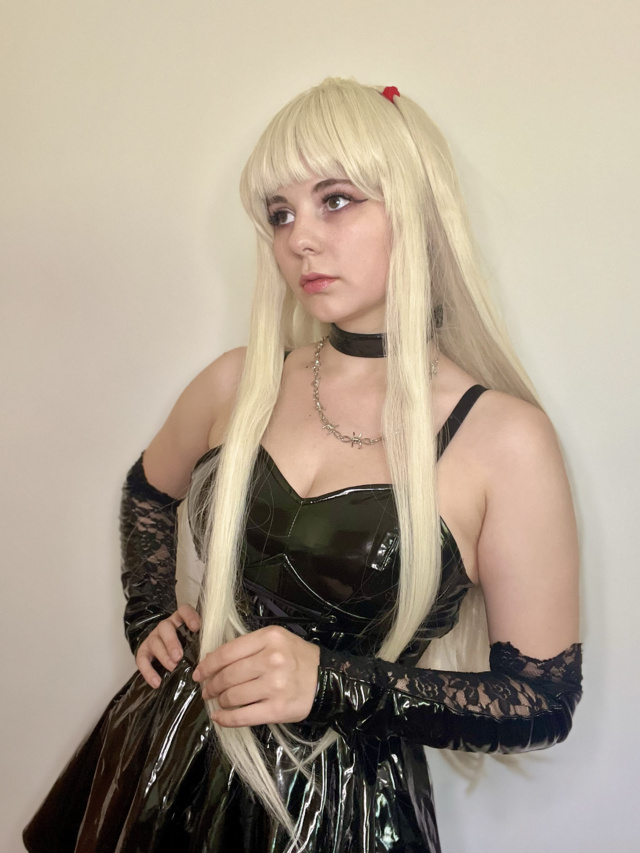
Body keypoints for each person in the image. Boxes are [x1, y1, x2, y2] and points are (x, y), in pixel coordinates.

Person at [24, 78, 582, 853]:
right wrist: (149, 611)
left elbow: (540, 699)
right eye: (280, 214)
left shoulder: (503, 439)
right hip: (162, 760)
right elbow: (147, 488)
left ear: (418, 209)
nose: (300, 240)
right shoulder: (238, 383)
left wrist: (330, 681)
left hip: (341, 811)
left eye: (336, 200)